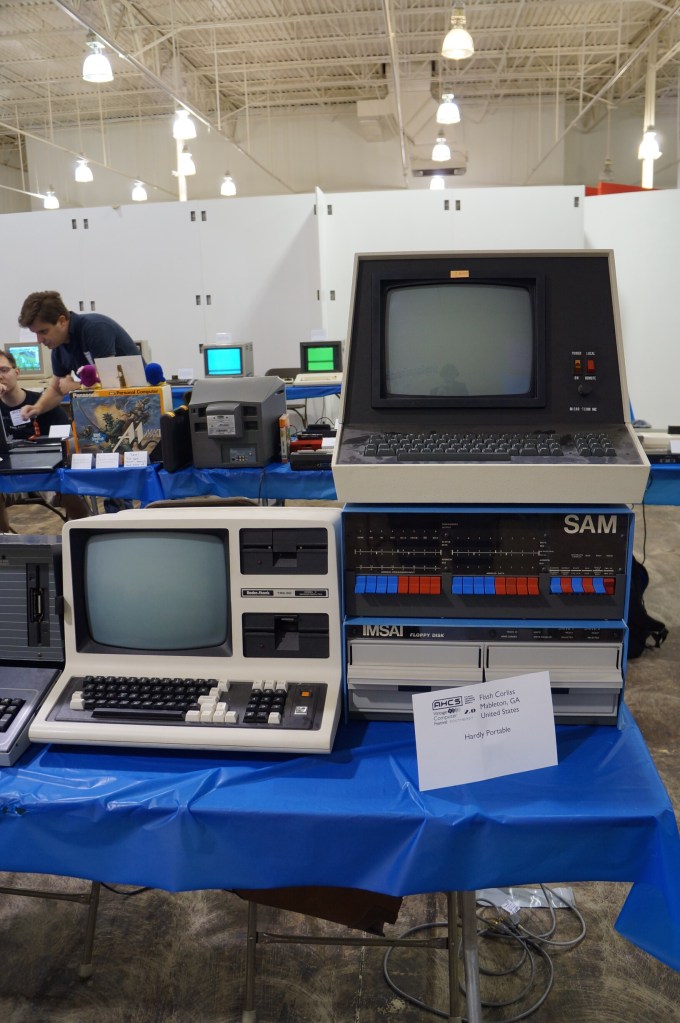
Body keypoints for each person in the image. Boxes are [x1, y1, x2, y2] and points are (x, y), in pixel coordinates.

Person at [0, 350, 90, 531]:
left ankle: (85, 531)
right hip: (8, 477)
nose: (0, 377)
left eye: (3, 370)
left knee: (68, 487)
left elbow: (67, 442)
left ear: (16, 372)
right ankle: (6, 543)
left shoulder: (42, 403)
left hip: (46, 475)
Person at [17, 290, 139, 421]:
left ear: (62, 321)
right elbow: (56, 389)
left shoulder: (95, 328)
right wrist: (37, 408)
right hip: (116, 408)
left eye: (43, 331)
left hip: (137, 401)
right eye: (36, 333)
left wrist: (75, 387)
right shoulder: (59, 347)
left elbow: (111, 382)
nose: (39, 340)